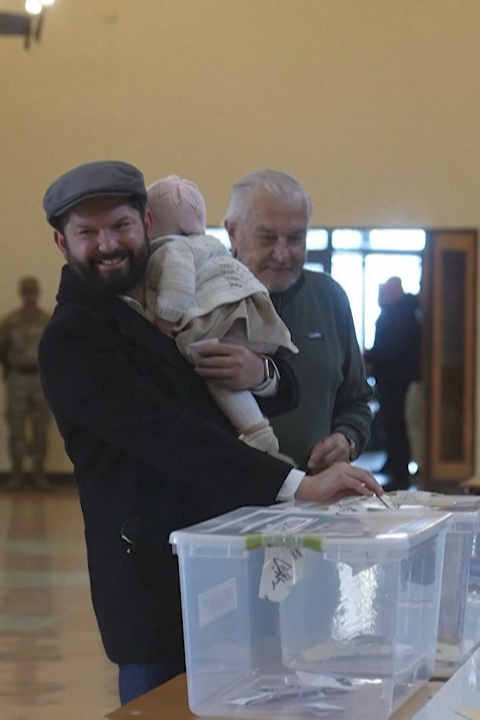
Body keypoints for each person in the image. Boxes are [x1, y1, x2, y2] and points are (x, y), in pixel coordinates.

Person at [36, 160, 385, 704]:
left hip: (227, 562)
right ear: (63, 241)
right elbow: (174, 438)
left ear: (148, 224)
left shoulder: (170, 292)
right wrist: (296, 483)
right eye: (88, 232)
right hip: (151, 578)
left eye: (121, 225)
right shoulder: (74, 338)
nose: (109, 244)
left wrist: (262, 373)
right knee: (163, 703)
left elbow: (278, 377)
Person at [224, 169, 373, 474]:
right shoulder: (203, 304)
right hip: (222, 503)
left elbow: (356, 403)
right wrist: (250, 464)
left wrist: (347, 438)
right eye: (267, 238)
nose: (282, 253)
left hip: (315, 503)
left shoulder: (329, 298)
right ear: (233, 233)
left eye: (295, 238)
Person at [142, 174, 297, 456]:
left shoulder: (171, 250)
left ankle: (258, 433)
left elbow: (177, 284)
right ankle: (259, 433)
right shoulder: (211, 245)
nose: (281, 251)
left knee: (211, 365)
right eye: (267, 236)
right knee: (222, 371)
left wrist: (163, 320)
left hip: (216, 321)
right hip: (249, 317)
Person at [0, 276, 52, 491]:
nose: (30, 297)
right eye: (26, 293)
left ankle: (38, 474)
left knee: (40, 429)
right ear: (21, 294)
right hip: (18, 378)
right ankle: (16, 474)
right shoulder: (10, 322)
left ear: (38, 294)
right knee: (16, 427)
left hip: (40, 379)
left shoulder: (48, 321)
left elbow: (56, 350)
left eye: (33, 292)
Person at [363, 277, 422, 490]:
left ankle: (400, 475)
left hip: (397, 381)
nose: (382, 296)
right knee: (392, 426)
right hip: (391, 379)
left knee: (397, 428)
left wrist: (371, 356)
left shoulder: (401, 317)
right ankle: (394, 467)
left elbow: (392, 348)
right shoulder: (398, 314)